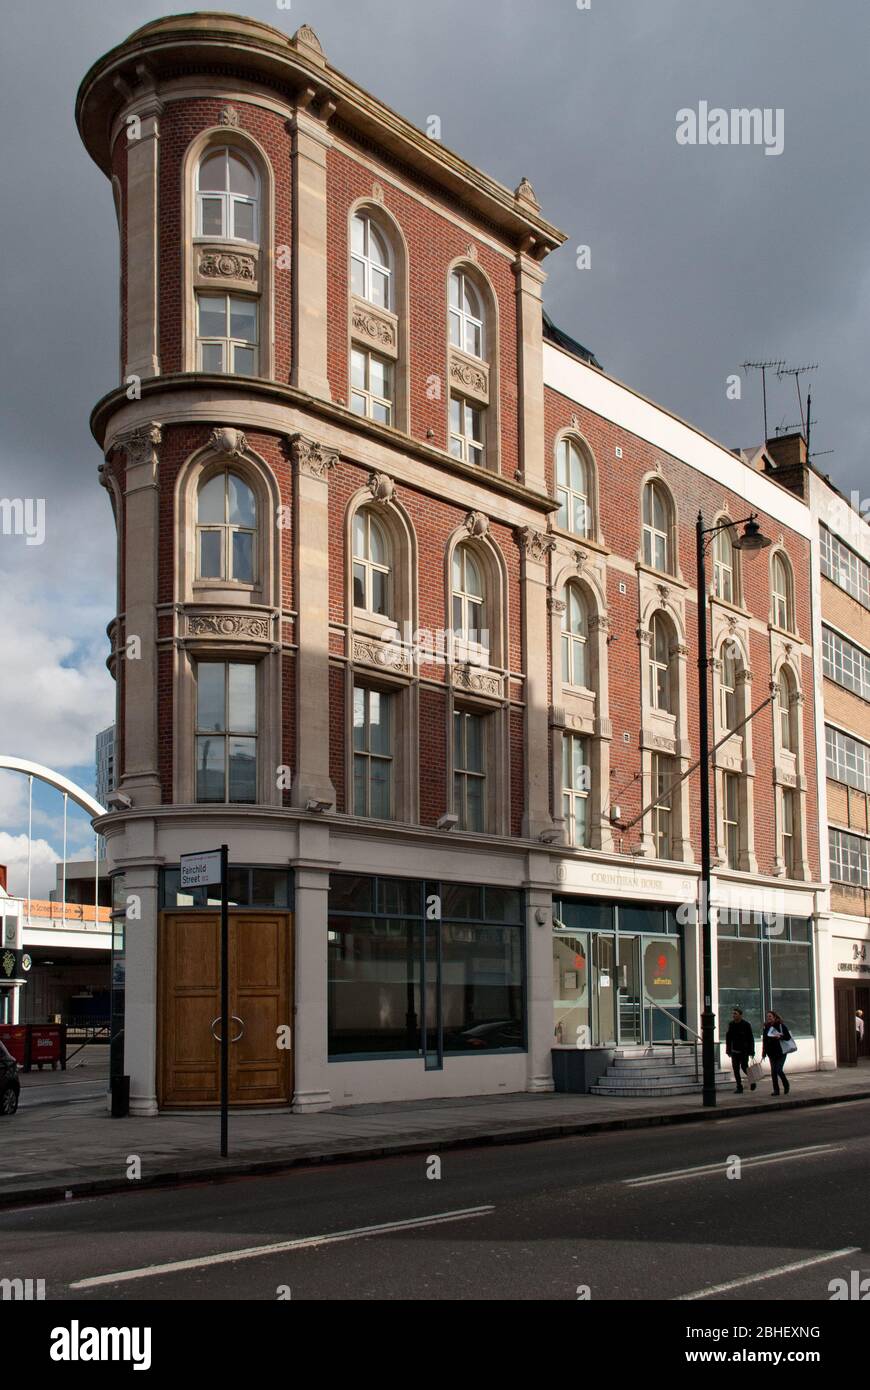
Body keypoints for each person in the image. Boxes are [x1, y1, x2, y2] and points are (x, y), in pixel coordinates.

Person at [725, 1007, 756, 1093]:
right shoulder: (731, 1024)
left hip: (744, 1051)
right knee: (735, 1069)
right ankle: (739, 1087)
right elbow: (728, 1038)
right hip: (734, 1051)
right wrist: (728, 1050)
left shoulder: (746, 1025)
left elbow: (750, 1038)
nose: (733, 1015)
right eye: (733, 1014)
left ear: (740, 1015)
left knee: (744, 1066)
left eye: (735, 1014)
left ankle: (752, 1080)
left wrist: (752, 1051)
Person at [761, 1010, 792, 1095]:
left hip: (781, 1051)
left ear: (774, 1017)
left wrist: (780, 1037)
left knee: (778, 1069)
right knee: (773, 1072)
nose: (768, 1018)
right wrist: (763, 1052)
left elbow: (788, 1037)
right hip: (771, 1052)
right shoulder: (766, 1027)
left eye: (770, 1016)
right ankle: (776, 1090)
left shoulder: (780, 1026)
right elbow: (765, 1040)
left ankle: (786, 1084)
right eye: (767, 1017)